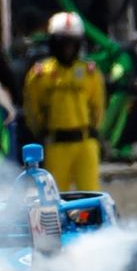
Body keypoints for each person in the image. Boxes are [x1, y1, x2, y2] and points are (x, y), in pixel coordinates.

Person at [23, 12, 105, 191]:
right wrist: (41, 134)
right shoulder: (40, 75)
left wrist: (95, 131)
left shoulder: (90, 73)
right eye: (63, 43)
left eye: (72, 43)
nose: (67, 48)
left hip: (85, 143)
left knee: (91, 195)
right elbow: (33, 110)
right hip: (56, 145)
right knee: (56, 196)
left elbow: (97, 107)